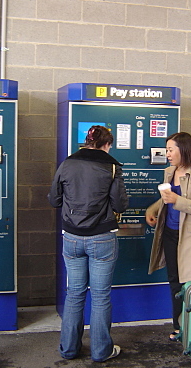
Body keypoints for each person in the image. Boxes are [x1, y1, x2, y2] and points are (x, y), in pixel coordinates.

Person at [48, 125, 128, 362]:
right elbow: (120, 205)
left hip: (71, 238)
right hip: (102, 238)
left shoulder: (67, 164)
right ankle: (101, 351)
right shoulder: (112, 167)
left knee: (74, 294)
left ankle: (69, 349)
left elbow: (54, 199)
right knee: (101, 296)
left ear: (86, 142)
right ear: (107, 144)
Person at [145, 132, 191, 341]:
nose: (167, 154)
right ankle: (178, 326)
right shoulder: (169, 172)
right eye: (167, 150)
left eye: (170, 149)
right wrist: (153, 208)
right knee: (174, 281)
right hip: (170, 234)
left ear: (183, 150)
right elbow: (166, 200)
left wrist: (177, 199)